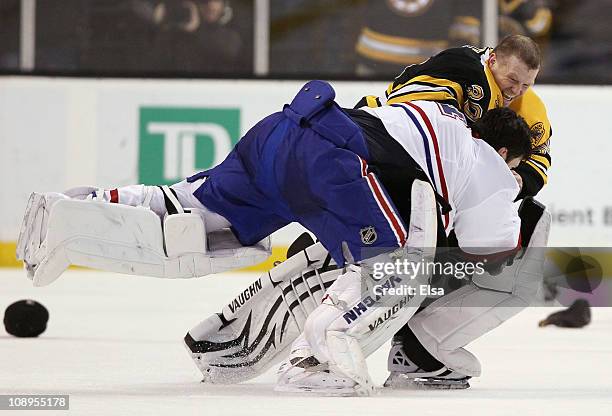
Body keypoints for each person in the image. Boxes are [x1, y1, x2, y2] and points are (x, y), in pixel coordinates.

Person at [17, 80, 531, 287]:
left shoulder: (429, 105)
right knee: (389, 269)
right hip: (329, 161)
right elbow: (492, 251)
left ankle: (68, 209)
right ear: (502, 151)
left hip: (284, 128)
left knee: (188, 215)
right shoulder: (484, 162)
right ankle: (320, 358)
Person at [358, 34, 551, 201]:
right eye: (512, 79)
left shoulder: (531, 108)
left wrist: (520, 180)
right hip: (374, 130)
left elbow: (539, 158)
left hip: (411, 156)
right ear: (492, 61)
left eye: (527, 85)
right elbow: (413, 117)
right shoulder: (466, 69)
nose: (517, 91)